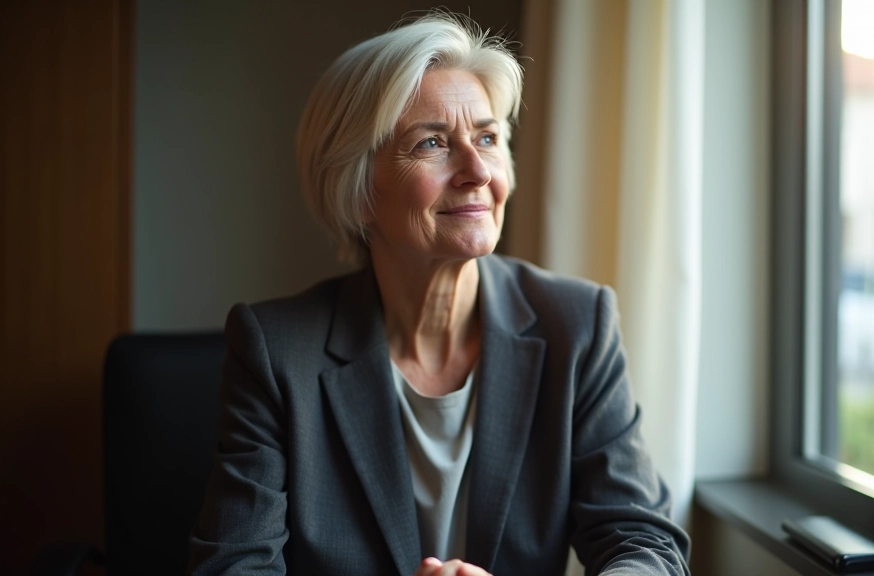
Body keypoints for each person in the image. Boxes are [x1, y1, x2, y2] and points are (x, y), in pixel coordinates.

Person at [188, 12, 690, 576]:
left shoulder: (577, 325)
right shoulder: (277, 352)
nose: (477, 170)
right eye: (432, 143)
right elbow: (233, 567)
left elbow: (644, 545)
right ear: (357, 191)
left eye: (488, 137)